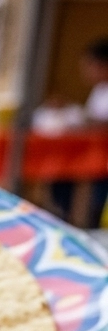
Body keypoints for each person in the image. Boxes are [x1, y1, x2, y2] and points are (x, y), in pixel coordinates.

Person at [50, 38, 108, 227]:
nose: (85, 71)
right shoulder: (99, 89)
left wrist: (79, 116)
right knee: (59, 177)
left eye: (88, 65)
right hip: (90, 157)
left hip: (102, 162)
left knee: (97, 203)